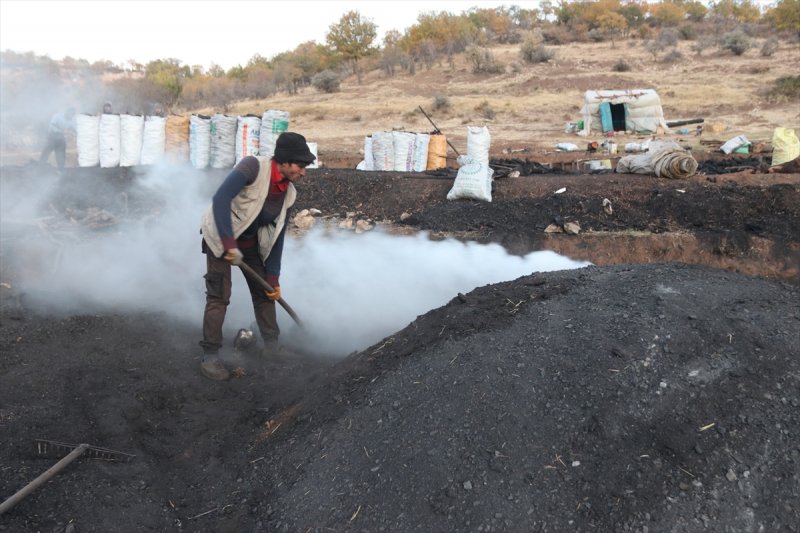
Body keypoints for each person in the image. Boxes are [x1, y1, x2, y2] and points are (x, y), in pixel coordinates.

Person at [198, 132, 316, 380]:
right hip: (221, 238)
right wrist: (229, 244)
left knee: (265, 293)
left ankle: (271, 347)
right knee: (219, 296)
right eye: (301, 165)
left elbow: (278, 235)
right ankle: (210, 357)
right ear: (284, 162)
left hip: (250, 243)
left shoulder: (289, 193)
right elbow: (220, 198)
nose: (303, 171)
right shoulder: (253, 167)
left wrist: (273, 277)